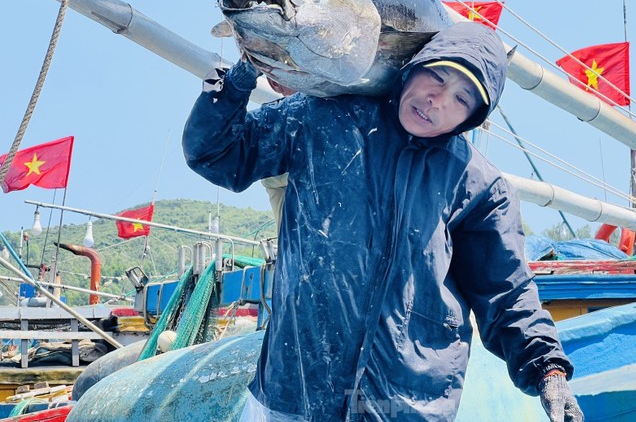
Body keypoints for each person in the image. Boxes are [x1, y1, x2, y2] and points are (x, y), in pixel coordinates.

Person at [183, 22, 583, 422]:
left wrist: (547, 367)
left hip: (406, 407)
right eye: (437, 76)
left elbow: (506, 293)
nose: (437, 100)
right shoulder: (325, 115)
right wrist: (243, 73)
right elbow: (219, 153)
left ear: (473, 116)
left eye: (461, 98)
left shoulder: (480, 187)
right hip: (292, 396)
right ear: (414, 67)